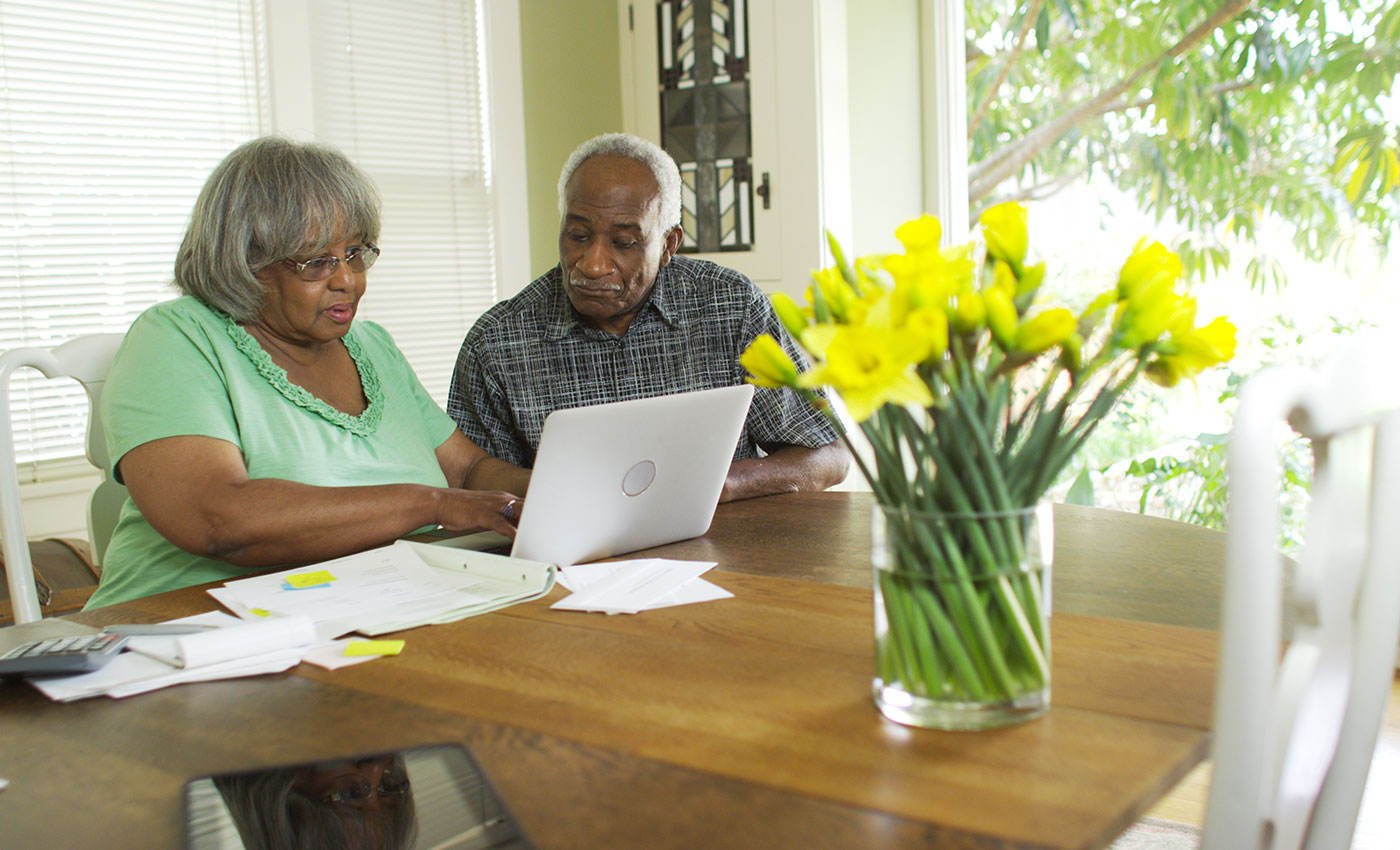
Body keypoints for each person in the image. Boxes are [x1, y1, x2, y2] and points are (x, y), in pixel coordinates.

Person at [85, 136, 529, 610]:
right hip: (190, 630)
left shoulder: (371, 345)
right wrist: (430, 505)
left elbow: (465, 472)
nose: (348, 280)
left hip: (371, 608)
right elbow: (217, 519)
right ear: (247, 263)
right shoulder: (177, 338)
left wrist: (558, 490)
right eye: (318, 262)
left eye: (356, 253)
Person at [447, 133, 849, 501]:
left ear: (668, 243)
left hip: (724, 553)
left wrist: (717, 486)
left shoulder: (731, 306)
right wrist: (576, 491)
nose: (593, 264)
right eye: (578, 236)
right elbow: (469, 478)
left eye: (624, 242)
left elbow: (828, 455)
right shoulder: (497, 341)